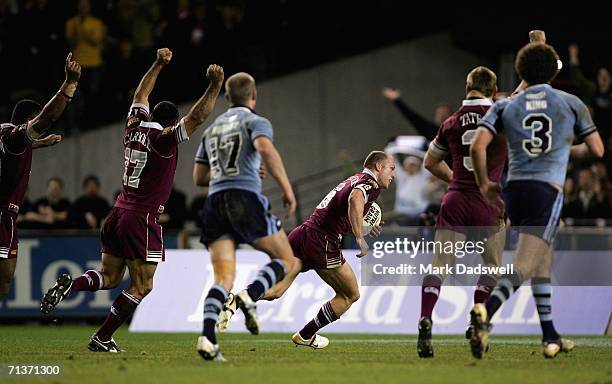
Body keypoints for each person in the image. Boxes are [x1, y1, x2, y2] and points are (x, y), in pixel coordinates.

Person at [41, 48, 224, 353]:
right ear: (171, 122)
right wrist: (215, 84)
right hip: (141, 218)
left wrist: (158, 64)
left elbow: (141, 93)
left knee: (110, 277)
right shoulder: (165, 139)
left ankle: (73, 285)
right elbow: (198, 116)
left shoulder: (133, 127)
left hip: (117, 213)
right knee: (142, 286)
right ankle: (102, 337)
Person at [469, 41, 604, 359]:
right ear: (553, 72)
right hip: (547, 191)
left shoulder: (505, 104)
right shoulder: (570, 102)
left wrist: (485, 185)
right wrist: (562, 148)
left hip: (515, 190)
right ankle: (485, 312)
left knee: (542, 260)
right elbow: (597, 149)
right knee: (527, 264)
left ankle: (549, 335)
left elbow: (477, 147)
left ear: (520, 72)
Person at [217, 151, 395, 350]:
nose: (393, 174)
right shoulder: (371, 184)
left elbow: (348, 205)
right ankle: (306, 334)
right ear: (378, 167)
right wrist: (360, 237)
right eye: (391, 168)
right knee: (350, 295)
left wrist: (363, 225)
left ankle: (238, 299)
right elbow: (355, 199)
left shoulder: (354, 179)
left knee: (277, 290)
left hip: (304, 232)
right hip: (323, 241)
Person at [192, 71, 299, 361]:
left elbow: (199, 177)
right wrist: (287, 189)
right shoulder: (256, 121)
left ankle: (207, 338)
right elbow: (265, 148)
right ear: (253, 96)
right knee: (285, 260)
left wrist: (236, 170)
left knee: (223, 277)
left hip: (215, 201)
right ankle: (250, 296)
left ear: (227, 98)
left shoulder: (211, 130)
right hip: (244, 199)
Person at [417, 66, 507, 358]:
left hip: (454, 199)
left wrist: (456, 179)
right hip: (487, 201)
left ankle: (425, 317)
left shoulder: (451, 122)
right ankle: (476, 320)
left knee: (439, 266)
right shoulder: (500, 115)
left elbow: (430, 162)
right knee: (491, 267)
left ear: (467, 88)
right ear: (493, 91)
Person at [0, 53, 81, 299]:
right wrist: (69, 84)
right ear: (26, 122)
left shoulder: (5, 134)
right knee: (3, 280)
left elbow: (11, 153)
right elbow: (46, 118)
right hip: (2, 214)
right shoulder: (16, 138)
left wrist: (39, 144)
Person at [381, 87, 451, 141]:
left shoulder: (453, 133)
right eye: (439, 114)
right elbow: (414, 118)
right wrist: (397, 101)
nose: (441, 116)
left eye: (444, 114)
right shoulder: (432, 130)